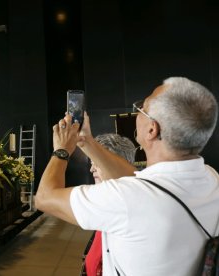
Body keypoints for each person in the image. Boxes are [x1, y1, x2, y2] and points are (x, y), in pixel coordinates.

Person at [36, 77, 219, 275]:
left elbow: (45, 198)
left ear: (152, 129)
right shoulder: (211, 178)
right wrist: (86, 142)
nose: (136, 112)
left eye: (141, 108)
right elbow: (139, 180)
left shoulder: (125, 199)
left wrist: (61, 150)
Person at [83, 133, 136, 276]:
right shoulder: (106, 204)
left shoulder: (130, 208)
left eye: (97, 163)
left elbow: (45, 198)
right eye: (91, 163)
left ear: (118, 163)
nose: (91, 169)